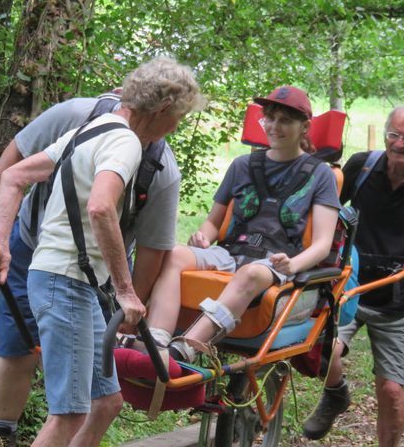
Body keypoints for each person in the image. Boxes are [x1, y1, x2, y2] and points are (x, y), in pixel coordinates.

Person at [0, 56, 203, 447]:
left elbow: (16, 176)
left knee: (107, 402)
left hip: (66, 278)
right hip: (66, 281)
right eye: (178, 118)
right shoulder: (126, 141)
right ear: (163, 109)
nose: (175, 128)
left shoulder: (96, 126)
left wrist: (0, 245)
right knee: (69, 413)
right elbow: (101, 207)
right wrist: (126, 291)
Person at [139, 85, 341, 362]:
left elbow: (321, 244)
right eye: (270, 118)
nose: (274, 126)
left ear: (304, 126)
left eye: (285, 120)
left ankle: (186, 348)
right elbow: (213, 222)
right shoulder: (242, 165)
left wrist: (293, 265)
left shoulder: (321, 175)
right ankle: (156, 341)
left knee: (251, 273)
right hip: (231, 252)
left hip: (278, 262)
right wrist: (203, 237)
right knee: (173, 254)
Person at [302, 106, 404, 446]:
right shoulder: (362, 166)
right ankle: (335, 394)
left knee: (391, 391)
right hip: (349, 286)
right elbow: (324, 202)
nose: (400, 143)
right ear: (387, 134)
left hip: (400, 298)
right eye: (395, 134)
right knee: (323, 352)